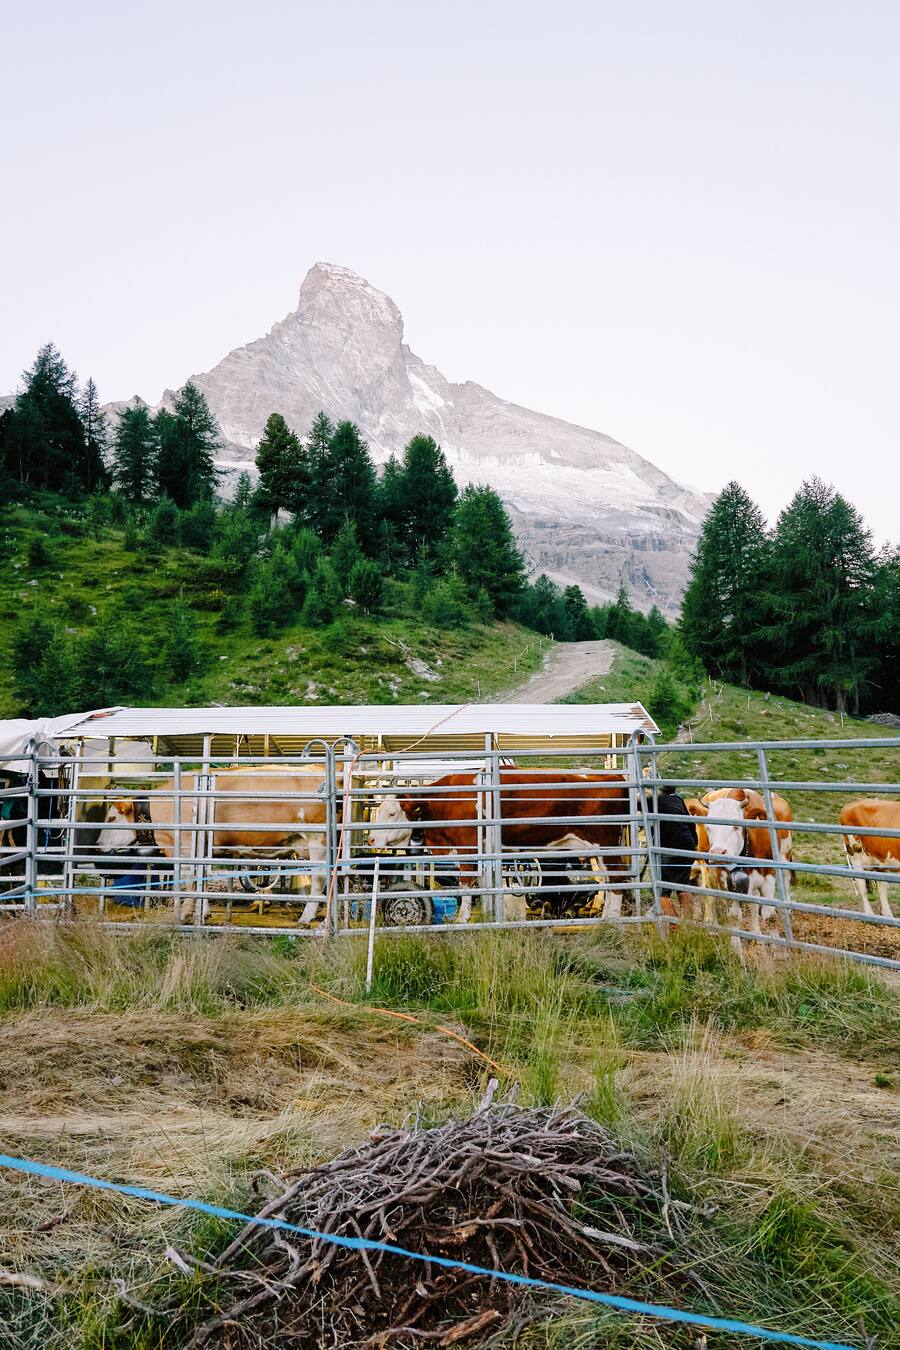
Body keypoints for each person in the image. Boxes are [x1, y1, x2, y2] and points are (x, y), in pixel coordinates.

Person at [652, 785, 698, 918]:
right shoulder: (677, 799)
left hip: (668, 848)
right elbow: (691, 823)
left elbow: (632, 803)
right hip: (687, 844)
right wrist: (693, 843)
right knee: (683, 886)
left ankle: (673, 925)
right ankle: (687, 923)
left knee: (661, 891)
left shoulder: (653, 800)